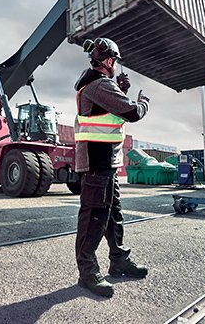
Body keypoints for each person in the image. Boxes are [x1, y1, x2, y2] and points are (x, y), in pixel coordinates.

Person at [74, 37, 150, 298]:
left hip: (107, 162)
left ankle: (118, 260)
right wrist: (143, 102)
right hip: (97, 163)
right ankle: (87, 272)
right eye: (115, 60)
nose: (116, 64)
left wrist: (121, 91)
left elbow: (110, 113)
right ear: (108, 61)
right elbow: (131, 113)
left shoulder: (100, 86)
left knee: (112, 215)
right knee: (94, 217)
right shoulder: (99, 85)